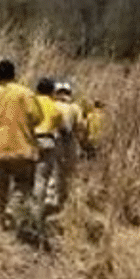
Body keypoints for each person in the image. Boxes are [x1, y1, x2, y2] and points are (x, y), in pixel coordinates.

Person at [0, 60, 42, 230]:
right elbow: (37, 118)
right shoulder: (25, 93)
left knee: (0, 188)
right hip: (22, 147)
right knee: (23, 183)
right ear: (14, 74)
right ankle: (13, 210)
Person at [49, 82, 84, 214]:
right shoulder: (75, 107)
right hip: (70, 143)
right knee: (68, 173)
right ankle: (65, 203)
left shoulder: (51, 105)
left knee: (53, 171)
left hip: (52, 141)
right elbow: (80, 126)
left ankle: (52, 203)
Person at [31, 77, 63, 221]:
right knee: (41, 179)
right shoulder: (54, 106)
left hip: (30, 142)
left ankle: (20, 211)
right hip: (47, 142)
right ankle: (36, 215)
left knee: (24, 178)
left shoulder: (30, 101)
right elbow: (58, 125)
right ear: (51, 92)